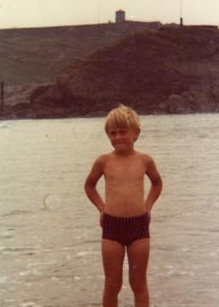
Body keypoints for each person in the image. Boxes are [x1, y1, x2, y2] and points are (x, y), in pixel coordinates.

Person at [84, 104, 163, 307]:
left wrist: (149, 205)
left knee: (138, 283)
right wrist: (101, 208)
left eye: (122, 132)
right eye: (112, 133)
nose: (117, 137)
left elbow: (157, 183)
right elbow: (89, 186)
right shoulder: (103, 161)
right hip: (112, 227)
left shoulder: (145, 160)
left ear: (135, 133)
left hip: (139, 226)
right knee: (112, 284)